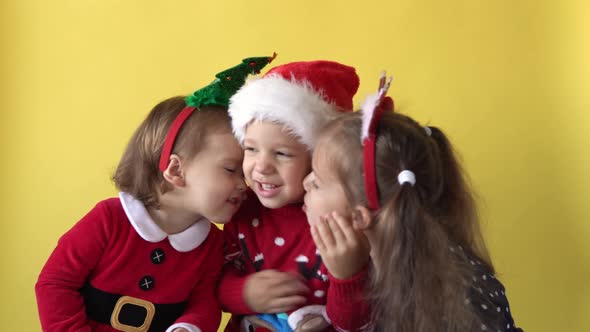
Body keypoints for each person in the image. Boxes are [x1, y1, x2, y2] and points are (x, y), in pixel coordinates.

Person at [35, 55, 275, 332]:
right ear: (176, 170)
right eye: (231, 169)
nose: (243, 185)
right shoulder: (109, 219)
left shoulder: (211, 245)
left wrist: (188, 327)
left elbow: (205, 303)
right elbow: (55, 284)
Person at [303, 74, 523, 331]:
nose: (304, 183)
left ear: (359, 217)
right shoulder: (377, 254)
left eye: (317, 182)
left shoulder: (455, 292)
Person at [219, 60, 371, 332]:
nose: (262, 166)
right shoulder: (242, 210)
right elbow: (210, 283)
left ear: (317, 161)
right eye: (251, 149)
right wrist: (242, 294)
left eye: (282, 154)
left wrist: (347, 275)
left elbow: (354, 322)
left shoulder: (337, 218)